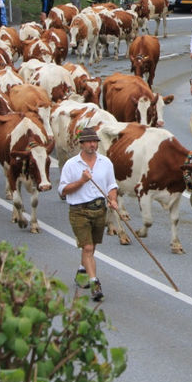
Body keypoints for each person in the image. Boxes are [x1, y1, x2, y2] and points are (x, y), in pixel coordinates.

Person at [58, 127, 119, 302]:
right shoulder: (71, 165)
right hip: (79, 211)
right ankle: (95, 284)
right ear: (82, 144)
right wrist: (81, 181)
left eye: (95, 142)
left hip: (100, 210)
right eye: (89, 142)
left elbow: (111, 185)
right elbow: (63, 190)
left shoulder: (105, 162)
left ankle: (82, 270)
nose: (93, 145)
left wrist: (112, 199)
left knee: (91, 247)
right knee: (88, 248)